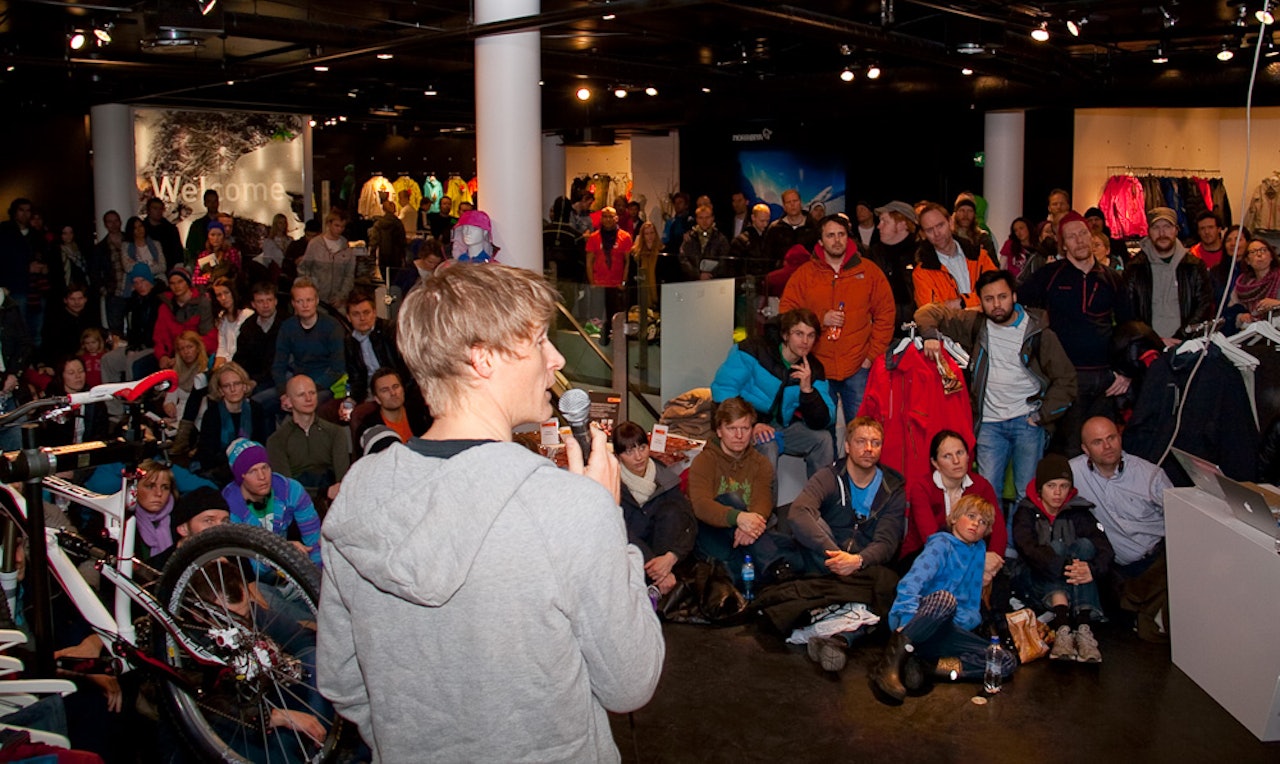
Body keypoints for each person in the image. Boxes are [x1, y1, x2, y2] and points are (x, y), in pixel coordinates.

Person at [316, 262, 663, 760]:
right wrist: (609, 524)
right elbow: (631, 682)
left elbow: (344, 679)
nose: (557, 357)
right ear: (482, 360)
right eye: (540, 340)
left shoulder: (359, 492)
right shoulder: (567, 508)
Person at [914, 269, 1077, 502]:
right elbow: (927, 311)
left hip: (1028, 420)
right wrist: (930, 334)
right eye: (989, 299)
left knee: (1026, 494)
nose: (997, 304)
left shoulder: (1038, 331)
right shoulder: (976, 324)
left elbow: (1067, 379)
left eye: (1002, 297)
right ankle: (996, 541)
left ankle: (1022, 540)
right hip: (989, 424)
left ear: (1014, 296)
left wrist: (1042, 415)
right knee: (987, 495)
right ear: (981, 302)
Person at [867, 495, 1017, 700]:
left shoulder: (979, 551)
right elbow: (910, 584)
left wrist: (961, 627)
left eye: (983, 522)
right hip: (920, 619)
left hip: (948, 630)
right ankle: (889, 665)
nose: (976, 524)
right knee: (945, 600)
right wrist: (907, 621)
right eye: (971, 516)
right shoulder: (940, 545)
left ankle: (928, 666)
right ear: (954, 518)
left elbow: (972, 604)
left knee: (1004, 660)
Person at [790, 416, 907, 673]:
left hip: (865, 567)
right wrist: (836, 554)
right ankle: (839, 627)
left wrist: (857, 561)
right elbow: (798, 512)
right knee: (810, 523)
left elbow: (887, 542)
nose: (868, 448)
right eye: (861, 441)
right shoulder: (830, 476)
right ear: (847, 446)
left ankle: (839, 639)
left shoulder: (892, 488)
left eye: (875, 443)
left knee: (888, 587)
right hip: (830, 560)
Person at [1019, 211, 1133, 456]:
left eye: (1083, 233)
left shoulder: (1112, 279)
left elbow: (1129, 328)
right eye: (1071, 237)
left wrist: (1125, 372)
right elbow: (1016, 305)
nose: (1079, 240)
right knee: (1069, 449)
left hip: (1105, 378)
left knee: (1105, 449)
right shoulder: (1048, 276)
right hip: (1065, 379)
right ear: (1063, 244)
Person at [780, 214, 895, 423]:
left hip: (858, 364)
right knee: (822, 428)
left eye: (841, 234)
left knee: (861, 428)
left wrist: (871, 356)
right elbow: (787, 314)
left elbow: (886, 315)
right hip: (818, 365)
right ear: (821, 241)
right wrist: (819, 320)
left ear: (848, 238)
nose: (836, 240)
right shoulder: (804, 274)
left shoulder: (869, 271)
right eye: (830, 235)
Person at [1070, 417, 1172, 641]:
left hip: (1156, 561)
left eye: (1112, 438)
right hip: (1116, 570)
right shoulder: (1074, 471)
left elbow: (1180, 521)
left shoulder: (1150, 475)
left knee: (1156, 631)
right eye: (1098, 442)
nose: (1107, 446)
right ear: (1085, 449)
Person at [710, 308, 835, 478]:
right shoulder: (753, 350)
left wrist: (808, 391)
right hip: (744, 424)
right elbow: (723, 390)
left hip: (783, 426)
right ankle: (766, 504)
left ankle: (820, 499)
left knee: (824, 439)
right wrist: (751, 425)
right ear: (785, 335)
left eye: (811, 335)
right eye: (799, 334)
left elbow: (825, 419)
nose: (805, 341)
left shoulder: (814, 368)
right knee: (768, 444)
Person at [1011, 453, 1113, 663]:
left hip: (1072, 582)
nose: (1057, 493)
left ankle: (1081, 630)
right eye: (1051, 486)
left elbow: (1105, 549)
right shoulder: (1026, 511)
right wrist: (1063, 565)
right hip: (1035, 579)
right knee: (1056, 547)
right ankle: (1063, 625)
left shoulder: (1079, 511)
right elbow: (1028, 549)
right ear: (1040, 488)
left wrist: (1090, 569)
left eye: (1063, 486)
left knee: (1084, 546)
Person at [686, 396, 781, 582]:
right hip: (712, 531)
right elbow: (701, 505)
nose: (739, 436)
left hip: (749, 535)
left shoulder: (761, 463)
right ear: (719, 431)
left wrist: (748, 526)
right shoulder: (704, 461)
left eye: (745, 429)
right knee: (731, 499)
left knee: (796, 546)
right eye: (731, 429)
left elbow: (763, 502)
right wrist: (738, 517)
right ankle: (773, 566)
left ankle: (761, 571)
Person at [613, 422, 697, 595]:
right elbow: (621, 532)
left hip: (667, 558)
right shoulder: (612, 483)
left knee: (672, 512)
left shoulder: (664, 476)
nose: (638, 457)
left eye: (642, 448)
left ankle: (658, 585)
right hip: (630, 561)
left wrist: (672, 557)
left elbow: (689, 522)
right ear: (618, 455)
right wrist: (657, 570)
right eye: (629, 451)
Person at [902, 430, 1004, 569]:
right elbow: (931, 538)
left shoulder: (981, 486)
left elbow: (998, 529)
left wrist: (992, 560)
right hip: (924, 555)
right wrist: (977, 560)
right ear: (935, 463)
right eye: (947, 456)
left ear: (968, 456)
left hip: (972, 552)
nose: (956, 461)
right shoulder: (922, 488)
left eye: (960, 453)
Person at [222, 438, 323, 567]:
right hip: (252, 577)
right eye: (252, 471)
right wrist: (282, 553)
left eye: (265, 467)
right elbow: (245, 565)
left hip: (287, 572)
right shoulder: (228, 508)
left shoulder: (290, 490)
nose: (262, 476)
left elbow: (314, 541)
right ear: (240, 477)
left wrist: (318, 580)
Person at [1124, 206, 1214, 343]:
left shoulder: (1194, 266)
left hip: (1187, 344)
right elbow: (1128, 310)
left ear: (1176, 230)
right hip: (1148, 346)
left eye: (1167, 226)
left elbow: (1203, 306)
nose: (1162, 233)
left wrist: (1182, 336)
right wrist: (1154, 340)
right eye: (1156, 227)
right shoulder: (1135, 268)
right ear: (1148, 231)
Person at [266, 374, 350, 506]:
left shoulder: (335, 433)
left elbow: (344, 479)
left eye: (312, 393)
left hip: (334, 501)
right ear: (288, 400)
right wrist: (323, 492)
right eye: (301, 395)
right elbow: (285, 487)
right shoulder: (277, 441)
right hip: (296, 504)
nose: (308, 398)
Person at [272, 277, 346, 402]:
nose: (305, 305)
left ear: (316, 301)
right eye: (300, 301)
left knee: (305, 404)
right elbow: (278, 365)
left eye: (309, 300)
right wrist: (283, 393)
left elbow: (337, 369)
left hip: (324, 386)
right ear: (293, 303)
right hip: (296, 383)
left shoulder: (332, 326)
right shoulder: (287, 327)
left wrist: (310, 389)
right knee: (260, 403)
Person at [913, 201, 997, 309]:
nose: (936, 233)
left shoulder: (980, 257)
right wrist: (977, 302)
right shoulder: (921, 273)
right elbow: (932, 314)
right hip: (951, 326)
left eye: (940, 225)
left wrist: (962, 302)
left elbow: (996, 293)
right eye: (929, 230)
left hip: (986, 323)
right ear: (923, 234)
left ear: (951, 223)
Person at [196, 362, 266, 485]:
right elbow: (207, 455)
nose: (233, 389)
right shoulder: (212, 414)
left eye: (237, 384)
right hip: (219, 470)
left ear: (244, 386)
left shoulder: (256, 409)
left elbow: (261, 444)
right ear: (221, 391)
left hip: (252, 468)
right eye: (227, 386)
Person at [867, 200, 920, 335]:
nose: (879, 226)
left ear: (902, 224)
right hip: (882, 332)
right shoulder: (873, 254)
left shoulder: (921, 255)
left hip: (917, 332)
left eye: (885, 221)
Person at [343, 289, 405, 404]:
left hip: (394, 390)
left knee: (360, 416)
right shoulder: (350, 341)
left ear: (375, 313)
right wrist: (351, 400)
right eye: (356, 314)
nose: (362, 318)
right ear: (348, 317)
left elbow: (405, 371)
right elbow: (356, 380)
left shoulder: (390, 331)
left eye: (366, 312)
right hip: (368, 392)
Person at [299, 212, 355, 310]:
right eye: (336, 225)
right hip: (316, 299)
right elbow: (304, 269)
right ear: (329, 224)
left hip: (338, 300)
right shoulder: (315, 244)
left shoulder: (346, 248)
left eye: (342, 226)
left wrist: (341, 296)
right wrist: (310, 292)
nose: (339, 229)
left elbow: (349, 275)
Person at [1228, 238, 1280, 328]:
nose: (1259, 254)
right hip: (1251, 334)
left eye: (1263, 250)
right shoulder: (1242, 285)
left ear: (1271, 256)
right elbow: (1230, 311)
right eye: (1253, 252)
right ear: (1247, 260)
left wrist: (1277, 303)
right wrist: (1241, 317)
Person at [763, 189, 819, 270]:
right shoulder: (775, 228)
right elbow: (767, 257)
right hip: (782, 276)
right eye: (788, 202)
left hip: (809, 276)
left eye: (795, 201)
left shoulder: (814, 226)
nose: (792, 205)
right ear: (784, 206)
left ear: (800, 203)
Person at [209, 276, 252, 371]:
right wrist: (216, 369)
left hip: (242, 365)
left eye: (226, 293)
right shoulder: (221, 318)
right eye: (219, 295)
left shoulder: (247, 315)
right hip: (226, 364)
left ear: (233, 292)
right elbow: (222, 348)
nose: (223, 298)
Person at [678, 204, 731, 280]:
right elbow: (683, 259)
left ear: (712, 218)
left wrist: (711, 274)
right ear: (696, 219)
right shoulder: (689, 238)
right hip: (692, 282)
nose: (704, 221)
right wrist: (697, 274)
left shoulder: (721, 239)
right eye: (701, 218)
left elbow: (724, 261)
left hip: (714, 281)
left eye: (707, 217)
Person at [728, 202, 773, 279]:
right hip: (746, 283)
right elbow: (732, 268)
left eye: (767, 221)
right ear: (753, 218)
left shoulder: (769, 238)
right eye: (762, 221)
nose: (765, 224)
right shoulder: (740, 241)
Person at [192, 221, 241, 288]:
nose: (216, 238)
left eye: (219, 235)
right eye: (212, 235)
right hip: (208, 289)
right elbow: (195, 279)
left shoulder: (231, 252)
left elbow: (238, 273)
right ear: (208, 236)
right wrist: (207, 278)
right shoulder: (204, 255)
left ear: (223, 236)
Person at [142, 197, 182, 271]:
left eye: (160, 209)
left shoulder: (171, 229)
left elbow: (178, 253)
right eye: (155, 208)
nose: (158, 211)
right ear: (148, 210)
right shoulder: (141, 229)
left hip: (169, 269)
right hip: (146, 269)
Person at [368, 199, 407, 271]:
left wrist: (371, 255)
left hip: (383, 254)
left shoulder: (378, 224)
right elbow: (402, 241)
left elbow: (374, 241)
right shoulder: (398, 223)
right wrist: (403, 256)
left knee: (384, 274)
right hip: (396, 255)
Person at [184, 189, 220, 265]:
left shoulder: (225, 222)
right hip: (203, 263)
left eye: (215, 201)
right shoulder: (197, 225)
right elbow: (191, 249)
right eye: (209, 201)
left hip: (223, 261)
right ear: (205, 204)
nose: (213, 204)